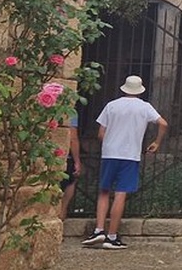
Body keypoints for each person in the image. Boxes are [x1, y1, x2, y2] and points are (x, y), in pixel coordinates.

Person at [82, 76, 167, 250]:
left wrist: (111, 142)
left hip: (109, 153)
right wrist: (156, 142)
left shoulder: (111, 105)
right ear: (140, 90)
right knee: (120, 194)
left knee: (104, 191)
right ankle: (112, 236)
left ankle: (99, 230)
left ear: (124, 89)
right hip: (130, 154)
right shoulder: (145, 107)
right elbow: (163, 123)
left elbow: (100, 133)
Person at [59, 114, 82, 221]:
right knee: (68, 186)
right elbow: (73, 138)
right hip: (65, 157)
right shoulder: (69, 112)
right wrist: (77, 161)